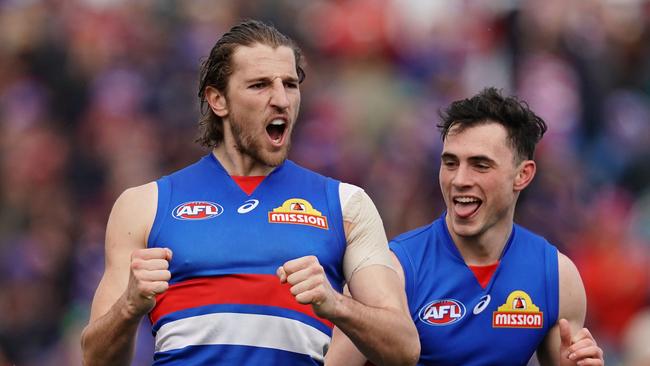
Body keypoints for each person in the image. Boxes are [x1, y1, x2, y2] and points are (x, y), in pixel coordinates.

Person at [80, 19, 419, 366]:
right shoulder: (144, 205)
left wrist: (335, 304)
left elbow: (404, 348)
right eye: (260, 85)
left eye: (290, 84)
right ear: (218, 100)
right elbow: (94, 358)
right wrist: (129, 307)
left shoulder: (347, 205)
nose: (281, 100)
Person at [327, 88, 604, 365]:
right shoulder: (389, 272)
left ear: (523, 175)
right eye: (450, 163)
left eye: (480, 165)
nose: (459, 179)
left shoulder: (556, 277)